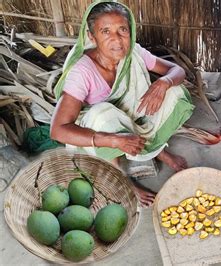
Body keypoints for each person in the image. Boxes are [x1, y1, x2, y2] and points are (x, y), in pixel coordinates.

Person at [50, 1, 194, 207]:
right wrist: (113, 140)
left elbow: (177, 71)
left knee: (176, 91)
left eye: (122, 30)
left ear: (131, 32)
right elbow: (58, 130)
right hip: (100, 129)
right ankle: (123, 180)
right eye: (105, 31)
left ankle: (157, 150)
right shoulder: (82, 72)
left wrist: (163, 83)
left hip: (131, 117)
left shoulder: (133, 53)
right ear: (92, 37)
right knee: (103, 113)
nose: (116, 39)